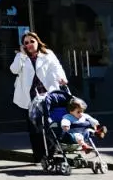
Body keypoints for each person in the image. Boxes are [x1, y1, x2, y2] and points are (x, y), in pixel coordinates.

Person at [9, 32, 69, 163]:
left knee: (50, 125)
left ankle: (51, 153)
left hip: (47, 95)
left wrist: (62, 78)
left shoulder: (48, 54)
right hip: (30, 97)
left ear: (37, 41)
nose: (29, 44)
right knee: (34, 127)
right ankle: (39, 155)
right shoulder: (21, 56)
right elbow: (13, 70)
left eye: (32, 41)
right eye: (26, 43)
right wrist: (22, 56)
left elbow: (56, 67)